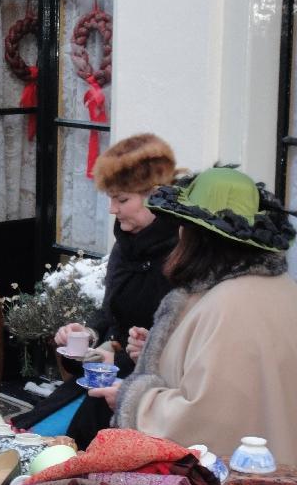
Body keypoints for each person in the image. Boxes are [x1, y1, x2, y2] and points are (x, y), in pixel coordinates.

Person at [90, 166, 297, 468]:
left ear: (200, 237)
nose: (178, 235)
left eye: (183, 226)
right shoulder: (281, 289)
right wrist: (161, 351)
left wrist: (134, 400)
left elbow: (206, 418)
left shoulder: (231, 304)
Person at [13, 133, 181, 449]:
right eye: (111, 198)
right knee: (26, 437)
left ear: (155, 195)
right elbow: (111, 313)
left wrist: (115, 353)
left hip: (140, 400)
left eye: (122, 199)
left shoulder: (181, 258)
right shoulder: (125, 247)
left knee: (53, 448)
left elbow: (178, 351)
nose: (111, 210)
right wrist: (87, 334)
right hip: (102, 379)